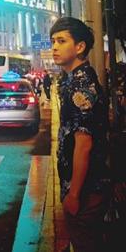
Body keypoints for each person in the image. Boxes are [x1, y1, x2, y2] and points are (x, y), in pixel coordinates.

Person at [50, 16, 109, 252]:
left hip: (86, 190)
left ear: (80, 47)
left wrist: (74, 194)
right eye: (53, 41)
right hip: (84, 186)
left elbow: (84, 144)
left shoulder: (81, 85)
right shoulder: (73, 80)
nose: (54, 47)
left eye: (62, 41)